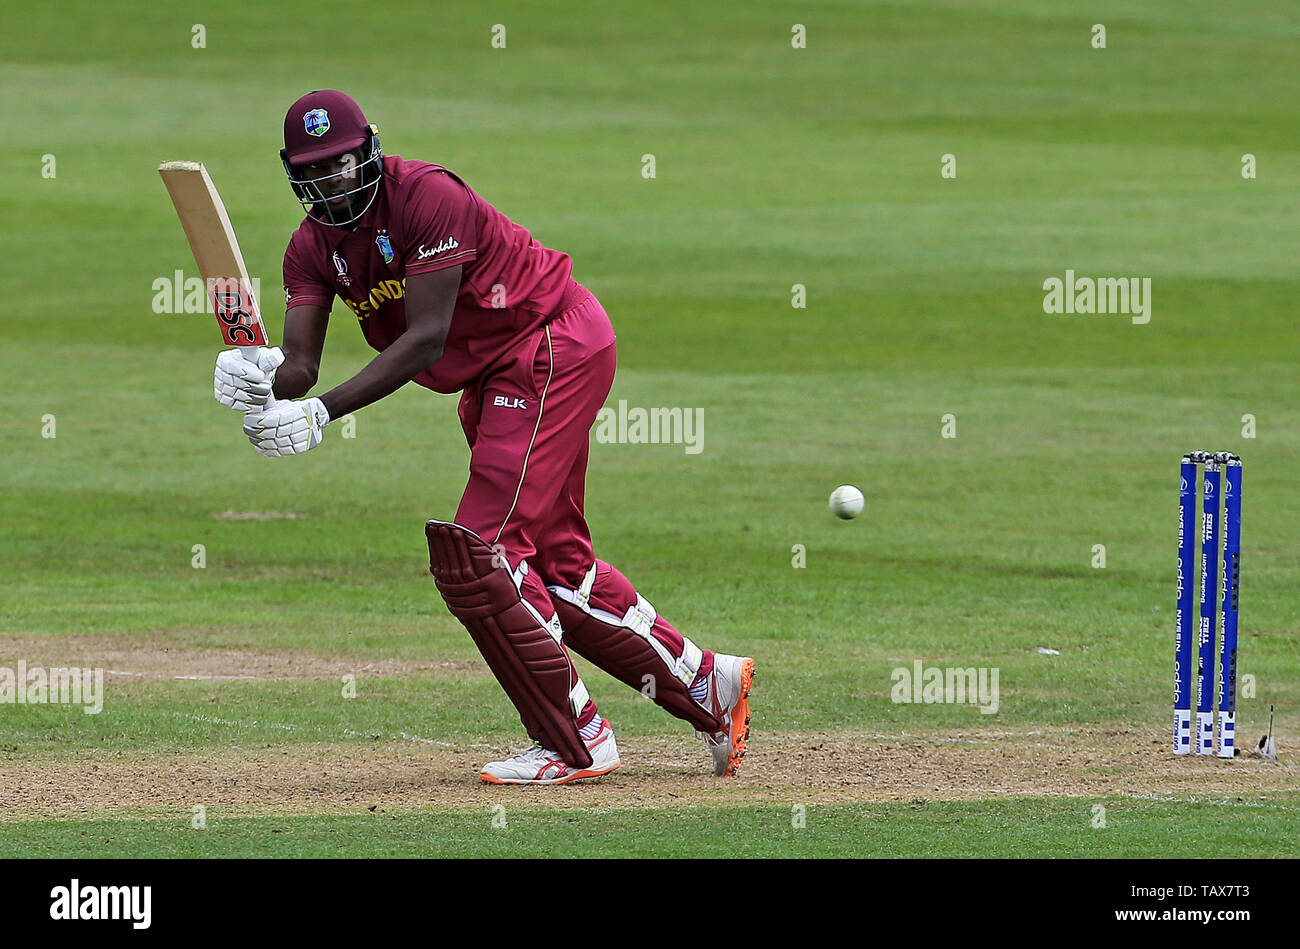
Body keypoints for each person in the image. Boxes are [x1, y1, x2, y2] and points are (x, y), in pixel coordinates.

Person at [213, 90, 754, 785]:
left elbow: (428, 335)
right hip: (499, 378)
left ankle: (576, 741)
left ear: (369, 153)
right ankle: (708, 683)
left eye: (343, 167)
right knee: (554, 566)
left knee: (482, 554)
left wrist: (323, 413)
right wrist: (258, 373)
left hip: (549, 341)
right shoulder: (309, 249)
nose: (332, 185)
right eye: (315, 174)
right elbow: (301, 364)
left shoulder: (428, 197)